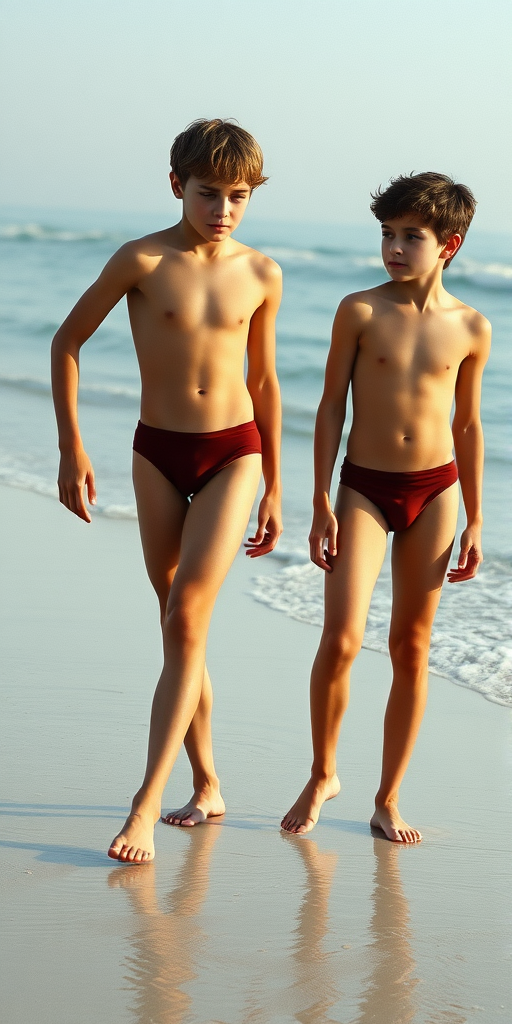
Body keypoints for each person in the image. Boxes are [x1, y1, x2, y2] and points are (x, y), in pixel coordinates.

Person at [51, 119, 282, 862]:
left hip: (233, 452)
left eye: (238, 196)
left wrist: (276, 484)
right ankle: (209, 782)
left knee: (186, 616)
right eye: (209, 192)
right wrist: (70, 447)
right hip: (156, 453)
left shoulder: (261, 272)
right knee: (180, 629)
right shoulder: (142, 259)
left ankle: (144, 805)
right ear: (177, 183)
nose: (223, 208)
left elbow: (266, 381)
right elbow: (67, 341)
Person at [281, 172, 490, 842]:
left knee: (411, 646)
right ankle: (322, 773)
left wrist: (479, 518)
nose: (394, 248)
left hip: (438, 494)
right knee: (341, 639)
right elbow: (330, 407)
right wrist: (318, 498)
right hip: (364, 488)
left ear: (448, 244)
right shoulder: (360, 310)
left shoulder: (471, 327)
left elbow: (469, 427)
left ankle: (388, 798)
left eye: (410, 237)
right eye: (387, 234)